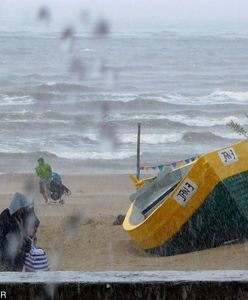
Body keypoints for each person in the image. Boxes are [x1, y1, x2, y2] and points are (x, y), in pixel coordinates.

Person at [0, 192, 40, 271]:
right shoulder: (6, 215)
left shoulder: (25, 214)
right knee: (6, 276)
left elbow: (35, 222)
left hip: (21, 253)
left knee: (17, 274)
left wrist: (33, 230)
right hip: (7, 253)